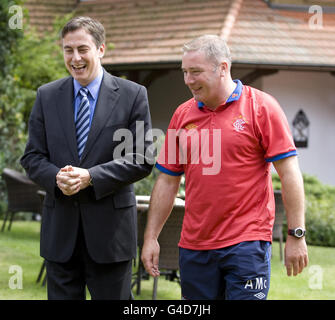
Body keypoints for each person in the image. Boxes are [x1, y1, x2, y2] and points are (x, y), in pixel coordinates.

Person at [141, 35, 308, 300]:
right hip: (194, 246)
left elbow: (289, 173)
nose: (187, 80)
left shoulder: (262, 107)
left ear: (223, 68)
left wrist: (296, 234)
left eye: (195, 72)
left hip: (246, 243)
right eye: (184, 72)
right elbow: (167, 180)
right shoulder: (182, 115)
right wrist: (151, 237)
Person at [20, 16, 154, 300]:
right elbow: (32, 157)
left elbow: (141, 157)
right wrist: (56, 177)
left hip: (110, 236)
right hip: (60, 235)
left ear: (101, 50)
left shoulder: (133, 95)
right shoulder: (47, 96)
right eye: (68, 50)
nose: (75, 58)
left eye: (83, 49)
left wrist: (91, 177)